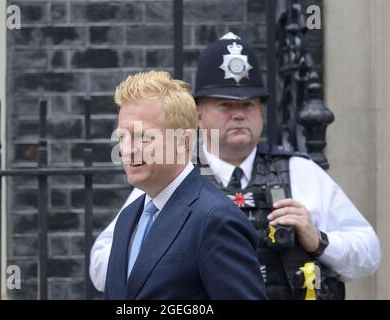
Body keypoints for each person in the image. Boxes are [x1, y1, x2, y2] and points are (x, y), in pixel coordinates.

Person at [92, 33, 381, 300]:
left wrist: (318, 240)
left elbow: (370, 253)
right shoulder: (164, 179)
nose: (239, 115)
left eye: (249, 105)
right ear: (199, 115)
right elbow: (107, 264)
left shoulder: (298, 171)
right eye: (225, 105)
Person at [104, 70, 267, 299]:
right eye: (122, 137)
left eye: (143, 136)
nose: (128, 150)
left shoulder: (215, 219)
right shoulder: (128, 218)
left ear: (183, 141)